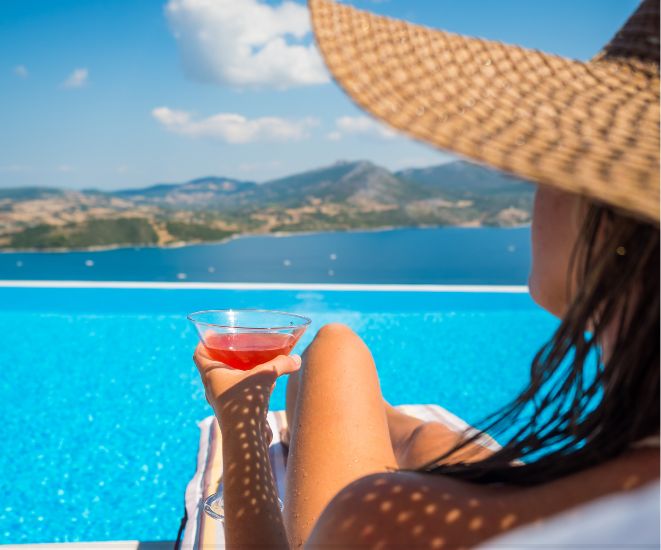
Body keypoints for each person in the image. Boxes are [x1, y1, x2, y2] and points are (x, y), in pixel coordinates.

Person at [193, 0, 660, 547]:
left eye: (556, 163)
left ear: (613, 221)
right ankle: (393, 425)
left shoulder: (383, 521)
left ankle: (383, 426)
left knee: (335, 350)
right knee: (364, 375)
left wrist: (242, 423)